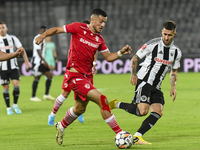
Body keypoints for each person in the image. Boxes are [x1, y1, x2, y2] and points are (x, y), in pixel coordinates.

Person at [35, 8, 131, 145]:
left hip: (87, 77)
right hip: (74, 75)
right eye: (101, 21)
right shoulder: (77, 27)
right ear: (92, 20)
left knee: (80, 109)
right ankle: (120, 133)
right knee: (102, 99)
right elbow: (56, 29)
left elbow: (109, 57)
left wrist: (121, 52)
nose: (103, 25)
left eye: (105, 22)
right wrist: (43, 35)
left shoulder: (99, 39)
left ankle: (61, 126)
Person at [109, 21, 182, 145]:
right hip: (144, 81)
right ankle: (116, 104)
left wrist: (173, 87)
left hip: (157, 85)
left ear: (174, 34)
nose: (166, 37)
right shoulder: (152, 44)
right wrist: (133, 74)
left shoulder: (176, 52)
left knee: (158, 111)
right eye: (164, 34)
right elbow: (135, 58)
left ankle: (137, 136)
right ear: (162, 32)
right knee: (142, 111)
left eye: (169, 35)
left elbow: (174, 71)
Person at [47, 19, 97, 126]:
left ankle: (78, 112)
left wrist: (94, 64)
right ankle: (52, 114)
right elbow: (58, 30)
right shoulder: (77, 33)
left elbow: (95, 51)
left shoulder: (93, 39)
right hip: (72, 70)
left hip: (84, 72)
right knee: (64, 94)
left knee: (82, 94)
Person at [0, 22, 30, 115]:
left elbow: (21, 49)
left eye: (3, 27)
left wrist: (26, 61)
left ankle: (15, 105)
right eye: (0, 28)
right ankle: (8, 108)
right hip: (3, 68)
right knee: (6, 87)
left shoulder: (13, 38)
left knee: (16, 85)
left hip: (14, 67)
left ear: (6, 28)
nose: (1, 29)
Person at [30, 26, 55, 102]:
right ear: (41, 31)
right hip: (37, 62)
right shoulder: (38, 38)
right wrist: (44, 60)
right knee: (37, 78)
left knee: (49, 76)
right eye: (44, 31)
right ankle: (33, 96)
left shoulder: (43, 38)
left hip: (41, 61)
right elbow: (38, 51)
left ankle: (46, 94)